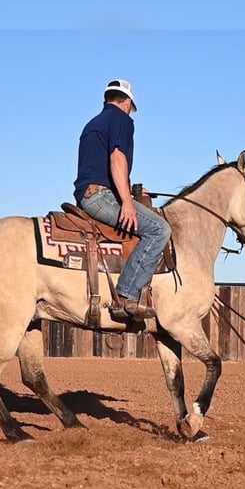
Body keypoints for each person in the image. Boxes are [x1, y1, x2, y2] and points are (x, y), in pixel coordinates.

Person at [74, 79, 171, 321]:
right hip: (100, 196)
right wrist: (127, 203)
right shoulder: (122, 120)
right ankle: (127, 294)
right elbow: (117, 159)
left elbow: (99, 166)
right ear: (127, 102)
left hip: (89, 192)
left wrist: (133, 191)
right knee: (160, 229)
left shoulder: (92, 124)